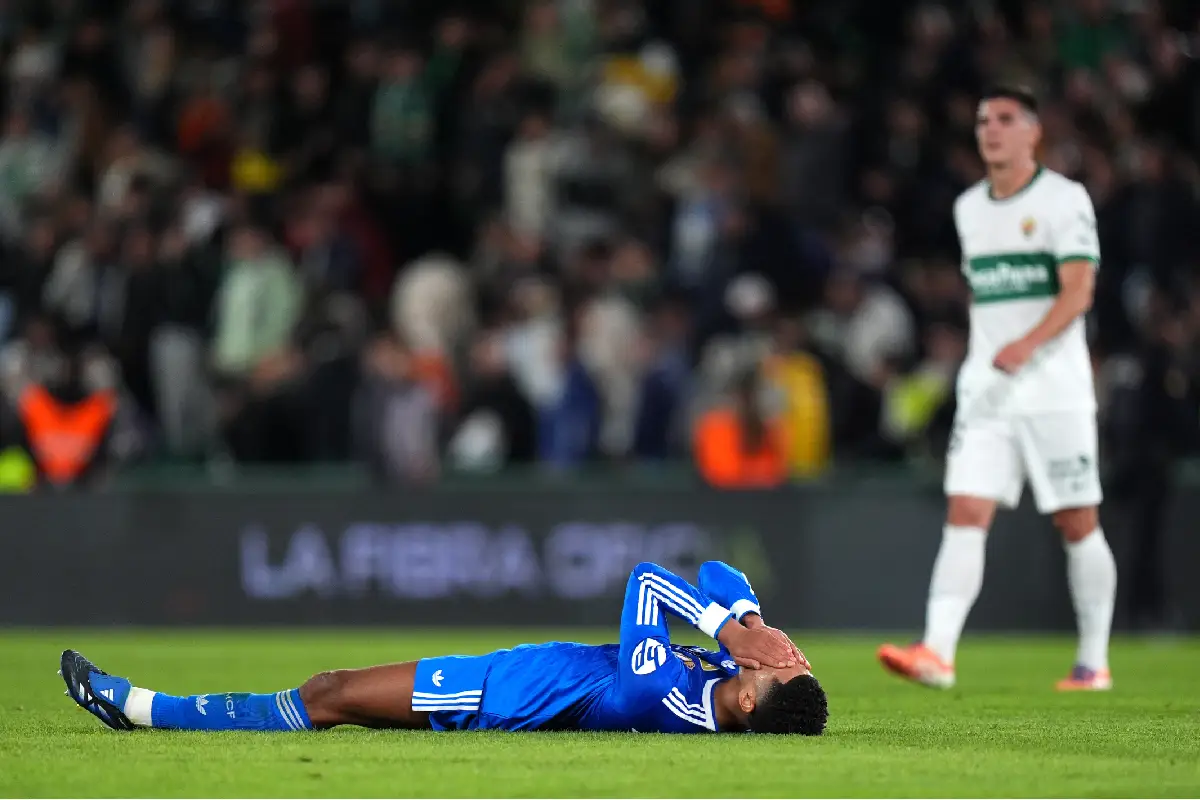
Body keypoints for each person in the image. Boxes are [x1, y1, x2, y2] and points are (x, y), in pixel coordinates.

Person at [878, 86, 1116, 691]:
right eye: (984, 119)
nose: (992, 129)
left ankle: (1092, 662)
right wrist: (992, 359)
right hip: (988, 387)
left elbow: (1078, 292)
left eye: (1006, 120)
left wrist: (1028, 345)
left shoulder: (1064, 200)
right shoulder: (969, 208)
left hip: (1054, 387)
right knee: (965, 509)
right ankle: (936, 651)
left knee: (1076, 520)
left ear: (1033, 132)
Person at [62, 561, 827, 735]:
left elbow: (649, 582)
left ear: (754, 694)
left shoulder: (655, 692)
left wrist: (733, 627)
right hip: (514, 675)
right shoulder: (737, 689)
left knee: (329, 693)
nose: (782, 656)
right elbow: (721, 573)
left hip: (496, 694)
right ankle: (142, 706)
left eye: (779, 668)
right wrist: (751, 613)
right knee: (330, 693)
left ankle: (137, 707)